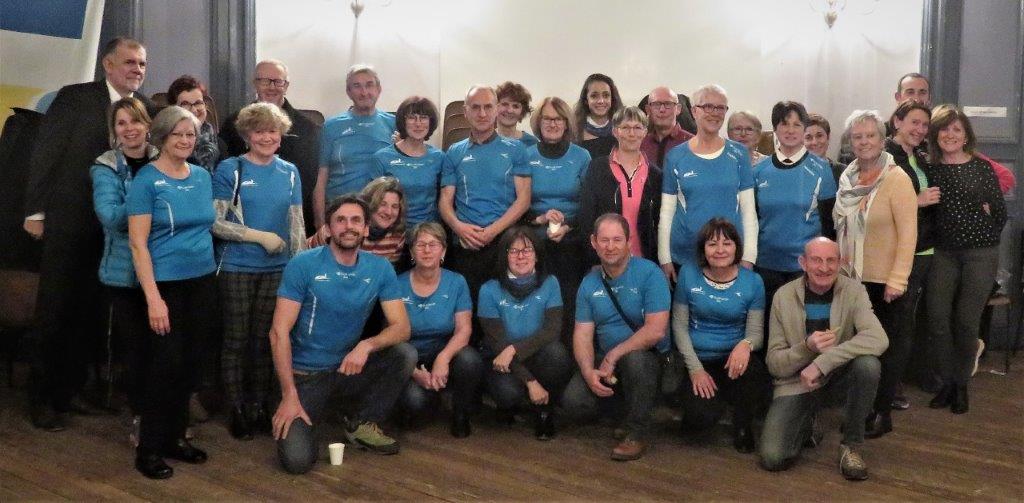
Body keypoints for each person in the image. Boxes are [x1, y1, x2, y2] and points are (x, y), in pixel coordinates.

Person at [24, 36, 155, 431]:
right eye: (130, 62)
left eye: (142, 64)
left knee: (90, 315)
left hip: (113, 232)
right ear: (107, 65)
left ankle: (71, 390)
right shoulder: (75, 98)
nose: (137, 69)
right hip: (69, 222)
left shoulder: (145, 108)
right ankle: (41, 398)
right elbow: (46, 152)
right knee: (56, 310)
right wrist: (35, 211)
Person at [271, 195, 415, 474]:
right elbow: (278, 333)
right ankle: (297, 409)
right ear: (328, 228)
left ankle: (360, 423)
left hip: (347, 368)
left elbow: (402, 327)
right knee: (297, 462)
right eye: (341, 220)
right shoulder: (303, 264)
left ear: (365, 228)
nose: (348, 226)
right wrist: (289, 394)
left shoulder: (380, 268)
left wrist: (366, 346)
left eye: (356, 220)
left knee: (404, 354)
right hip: (306, 376)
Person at [126, 106, 217, 479]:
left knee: (190, 365)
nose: (185, 140)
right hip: (164, 286)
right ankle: (148, 449)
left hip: (202, 281)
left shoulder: (202, 176)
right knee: (164, 367)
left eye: (190, 134)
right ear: (162, 137)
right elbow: (138, 244)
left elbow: (208, 226)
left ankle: (175, 439)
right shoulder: (146, 180)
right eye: (178, 134)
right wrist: (153, 299)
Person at [211, 102, 306, 440]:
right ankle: (236, 408)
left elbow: (296, 223)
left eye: (273, 131)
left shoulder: (290, 171)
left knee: (265, 340)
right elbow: (214, 221)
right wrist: (258, 236)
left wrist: (300, 268)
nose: (267, 137)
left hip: (277, 270)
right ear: (247, 135)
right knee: (236, 340)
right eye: (259, 131)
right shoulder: (230, 169)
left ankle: (259, 405)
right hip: (236, 266)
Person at [759, 237, 888, 481]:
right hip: (796, 383)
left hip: (838, 377)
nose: (824, 267)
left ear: (840, 263)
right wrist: (807, 348)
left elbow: (878, 339)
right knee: (772, 458)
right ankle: (808, 423)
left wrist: (822, 363)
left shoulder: (854, 291)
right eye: (816, 260)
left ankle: (851, 445)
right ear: (803, 263)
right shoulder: (783, 296)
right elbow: (775, 364)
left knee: (868, 365)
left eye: (831, 260)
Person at [833, 110, 917, 434]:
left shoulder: (897, 179)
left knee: (887, 350)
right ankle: (862, 409)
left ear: (882, 140)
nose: (864, 142)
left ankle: (882, 413)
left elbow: (908, 235)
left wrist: (898, 279)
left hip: (886, 283)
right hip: (853, 280)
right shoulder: (848, 178)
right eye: (858, 136)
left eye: (870, 135)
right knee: (860, 349)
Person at [562, 214, 671, 461]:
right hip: (607, 363)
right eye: (604, 240)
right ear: (594, 242)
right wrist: (588, 371)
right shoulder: (589, 283)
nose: (610, 246)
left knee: (636, 362)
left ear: (629, 242)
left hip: (647, 358)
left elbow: (656, 330)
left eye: (617, 240)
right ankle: (624, 413)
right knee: (574, 402)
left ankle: (637, 432)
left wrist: (614, 355)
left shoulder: (650, 273)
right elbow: (582, 335)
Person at [924, 105, 1007, 415]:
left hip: (980, 254)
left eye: (956, 129)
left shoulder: (981, 167)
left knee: (966, 321)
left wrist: (982, 232)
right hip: (943, 253)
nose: (950, 135)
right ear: (935, 134)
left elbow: (999, 213)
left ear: (966, 135)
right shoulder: (930, 169)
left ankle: (960, 385)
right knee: (937, 318)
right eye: (944, 129)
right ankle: (947, 381)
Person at [90, 97, 158, 443]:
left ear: (148, 125)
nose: (130, 129)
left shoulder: (165, 159)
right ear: (114, 130)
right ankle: (140, 417)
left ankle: (165, 416)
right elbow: (112, 217)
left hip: (165, 270)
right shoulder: (106, 167)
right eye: (122, 123)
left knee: (164, 350)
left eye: (136, 121)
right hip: (124, 275)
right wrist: (147, 194)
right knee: (136, 351)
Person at [672, 219, 770, 453]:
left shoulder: (753, 281)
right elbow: (679, 326)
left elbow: (756, 333)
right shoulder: (688, 273)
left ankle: (743, 427)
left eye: (727, 243)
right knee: (701, 417)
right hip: (698, 358)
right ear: (703, 249)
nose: (719, 250)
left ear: (736, 247)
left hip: (733, 359)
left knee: (755, 373)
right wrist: (695, 369)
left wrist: (745, 344)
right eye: (712, 244)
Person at [867, 101, 935, 428]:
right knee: (893, 328)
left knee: (904, 327)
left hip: (922, 251)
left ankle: (889, 393)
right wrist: (917, 201)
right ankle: (883, 397)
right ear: (897, 121)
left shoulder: (920, 157)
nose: (919, 130)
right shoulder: (886, 158)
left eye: (924, 125)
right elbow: (878, 205)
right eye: (914, 123)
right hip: (894, 255)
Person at [478, 227, 572, 440]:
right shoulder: (489, 290)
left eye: (527, 250)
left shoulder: (550, 283)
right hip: (501, 360)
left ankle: (544, 412)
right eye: (513, 251)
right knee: (508, 394)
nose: (521, 256)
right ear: (505, 256)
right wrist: (531, 382)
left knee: (557, 354)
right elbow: (498, 344)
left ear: (536, 255)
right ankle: (512, 405)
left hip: (534, 354)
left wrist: (513, 349)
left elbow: (552, 331)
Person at [439, 85, 531, 299]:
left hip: (504, 244)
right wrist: (459, 228)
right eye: (475, 107)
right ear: (466, 111)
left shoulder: (516, 149)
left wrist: (492, 231)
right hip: (465, 244)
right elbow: (445, 201)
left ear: (496, 109)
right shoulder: (454, 152)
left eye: (488, 107)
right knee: (467, 307)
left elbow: (524, 200)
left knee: (503, 305)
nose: (482, 113)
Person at [659, 84, 757, 282]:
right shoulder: (675, 156)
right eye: (708, 107)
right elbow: (667, 212)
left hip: (729, 256)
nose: (714, 113)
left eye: (720, 107)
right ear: (694, 111)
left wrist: (749, 257)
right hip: (686, 255)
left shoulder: (739, 154)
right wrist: (664, 258)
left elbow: (748, 210)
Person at [753, 101, 838, 332]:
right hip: (766, 266)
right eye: (784, 124)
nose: (790, 130)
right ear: (775, 128)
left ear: (804, 128)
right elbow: (752, 220)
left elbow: (829, 225)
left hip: (806, 267)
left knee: (803, 331)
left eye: (797, 124)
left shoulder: (821, 170)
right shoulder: (758, 171)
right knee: (770, 331)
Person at [395, 223, 483, 437]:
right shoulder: (397, 283)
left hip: (447, 351)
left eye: (433, 244)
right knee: (415, 403)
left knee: (470, 359)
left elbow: (464, 330)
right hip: (411, 357)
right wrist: (414, 372)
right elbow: (391, 336)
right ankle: (432, 396)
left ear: (443, 251)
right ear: (411, 251)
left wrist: (443, 358)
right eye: (420, 244)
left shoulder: (457, 282)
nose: (427, 250)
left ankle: (460, 413)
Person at [220, 59, 322, 236]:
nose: (271, 87)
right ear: (255, 83)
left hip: (291, 218)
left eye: (278, 82)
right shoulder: (233, 124)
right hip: (244, 221)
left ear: (286, 85)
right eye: (265, 81)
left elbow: (311, 178)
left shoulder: (308, 128)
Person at [523, 96, 592, 340]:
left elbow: (588, 204)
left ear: (566, 123)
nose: (552, 124)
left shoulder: (582, 156)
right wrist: (541, 218)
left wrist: (568, 225)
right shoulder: (526, 155)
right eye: (547, 119)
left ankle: (569, 346)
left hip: (571, 237)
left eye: (558, 119)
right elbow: (517, 203)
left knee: (569, 297)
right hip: (534, 236)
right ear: (538, 122)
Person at [314, 64, 395, 229]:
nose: (364, 92)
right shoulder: (331, 127)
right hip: (339, 213)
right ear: (348, 92)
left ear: (379, 89)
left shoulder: (394, 124)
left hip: (380, 216)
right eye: (357, 86)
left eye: (369, 85)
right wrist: (320, 222)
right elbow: (321, 179)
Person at [577, 107, 662, 262]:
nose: (632, 133)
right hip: (606, 258)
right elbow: (586, 218)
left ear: (645, 132)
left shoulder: (655, 175)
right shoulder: (597, 168)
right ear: (615, 132)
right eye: (625, 127)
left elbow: (658, 223)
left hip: (643, 260)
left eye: (637, 128)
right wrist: (593, 260)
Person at [372, 96, 445, 228]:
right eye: (412, 118)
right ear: (403, 122)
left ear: (431, 122)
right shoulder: (382, 158)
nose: (418, 123)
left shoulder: (439, 157)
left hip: (429, 231)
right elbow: (374, 203)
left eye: (423, 117)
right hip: (393, 230)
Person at [167, 75, 224, 172]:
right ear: (172, 109)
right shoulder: (164, 144)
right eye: (185, 104)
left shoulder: (220, 145)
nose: (193, 110)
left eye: (198, 103)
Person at [640, 86, 694, 167]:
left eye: (668, 104)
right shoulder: (641, 145)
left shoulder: (693, 144)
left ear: (678, 109)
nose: (662, 109)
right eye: (656, 104)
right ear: (648, 110)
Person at [573, 73, 623, 158]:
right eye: (594, 96)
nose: (601, 101)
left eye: (606, 95)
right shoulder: (574, 131)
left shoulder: (623, 129)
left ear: (612, 99)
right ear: (586, 100)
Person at [804, 113, 846, 184]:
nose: (814, 142)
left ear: (828, 137)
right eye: (808, 137)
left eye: (819, 136)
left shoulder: (843, 172)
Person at [496, 81, 538, 147]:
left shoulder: (532, 143)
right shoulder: (483, 140)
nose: (509, 110)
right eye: (505, 104)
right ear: (494, 107)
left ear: (523, 111)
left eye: (515, 106)